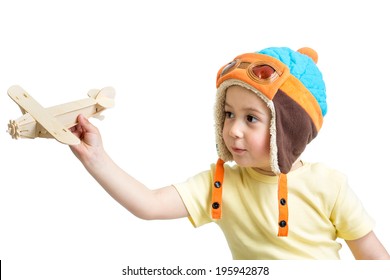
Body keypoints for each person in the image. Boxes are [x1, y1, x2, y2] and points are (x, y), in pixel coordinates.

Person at [70, 47, 390, 260]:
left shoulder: (329, 185)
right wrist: (97, 159)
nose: (233, 129)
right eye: (228, 113)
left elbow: (375, 261)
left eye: (251, 118)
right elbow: (150, 204)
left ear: (289, 128)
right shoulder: (221, 185)